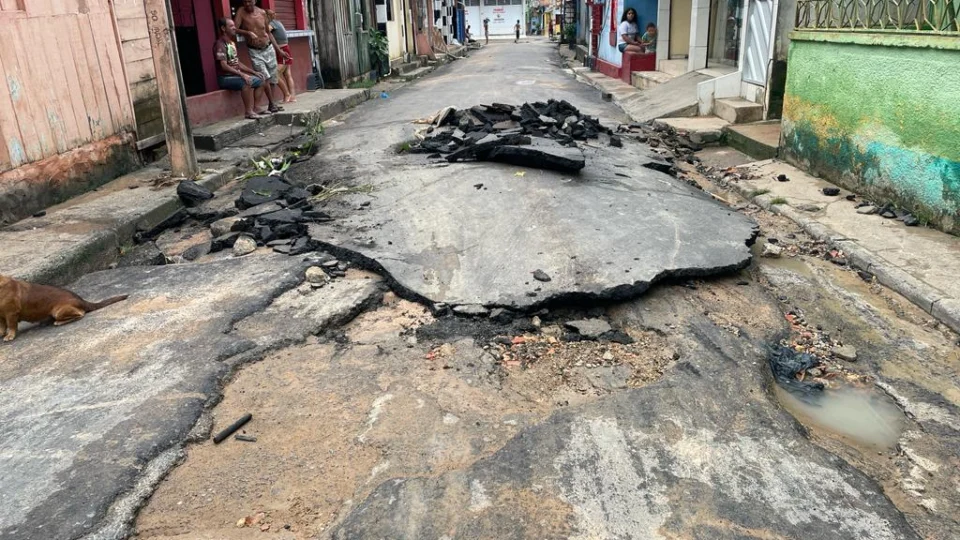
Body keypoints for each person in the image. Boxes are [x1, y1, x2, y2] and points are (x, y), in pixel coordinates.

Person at [234, 0, 287, 113]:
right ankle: (266, 105)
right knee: (264, 77)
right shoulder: (241, 12)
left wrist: (279, 51)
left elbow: (268, 33)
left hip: (268, 48)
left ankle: (271, 104)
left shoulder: (262, 12)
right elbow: (235, 29)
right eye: (245, 2)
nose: (247, 4)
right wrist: (247, 33)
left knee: (273, 78)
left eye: (249, 1)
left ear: (255, 1)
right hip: (255, 51)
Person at [214, 18, 267, 119]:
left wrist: (254, 72)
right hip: (225, 78)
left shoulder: (231, 43)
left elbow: (237, 62)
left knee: (261, 80)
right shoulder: (220, 44)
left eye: (234, 25)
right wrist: (242, 74)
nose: (234, 28)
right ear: (223, 28)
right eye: (231, 26)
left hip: (236, 76)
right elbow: (223, 65)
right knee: (246, 82)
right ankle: (248, 112)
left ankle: (256, 107)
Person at [265, 9, 296, 103]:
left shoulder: (272, 23)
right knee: (287, 74)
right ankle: (293, 97)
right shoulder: (278, 22)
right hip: (285, 48)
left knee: (275, 74)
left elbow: (267, 30)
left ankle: (287, 94)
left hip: (282, 51)